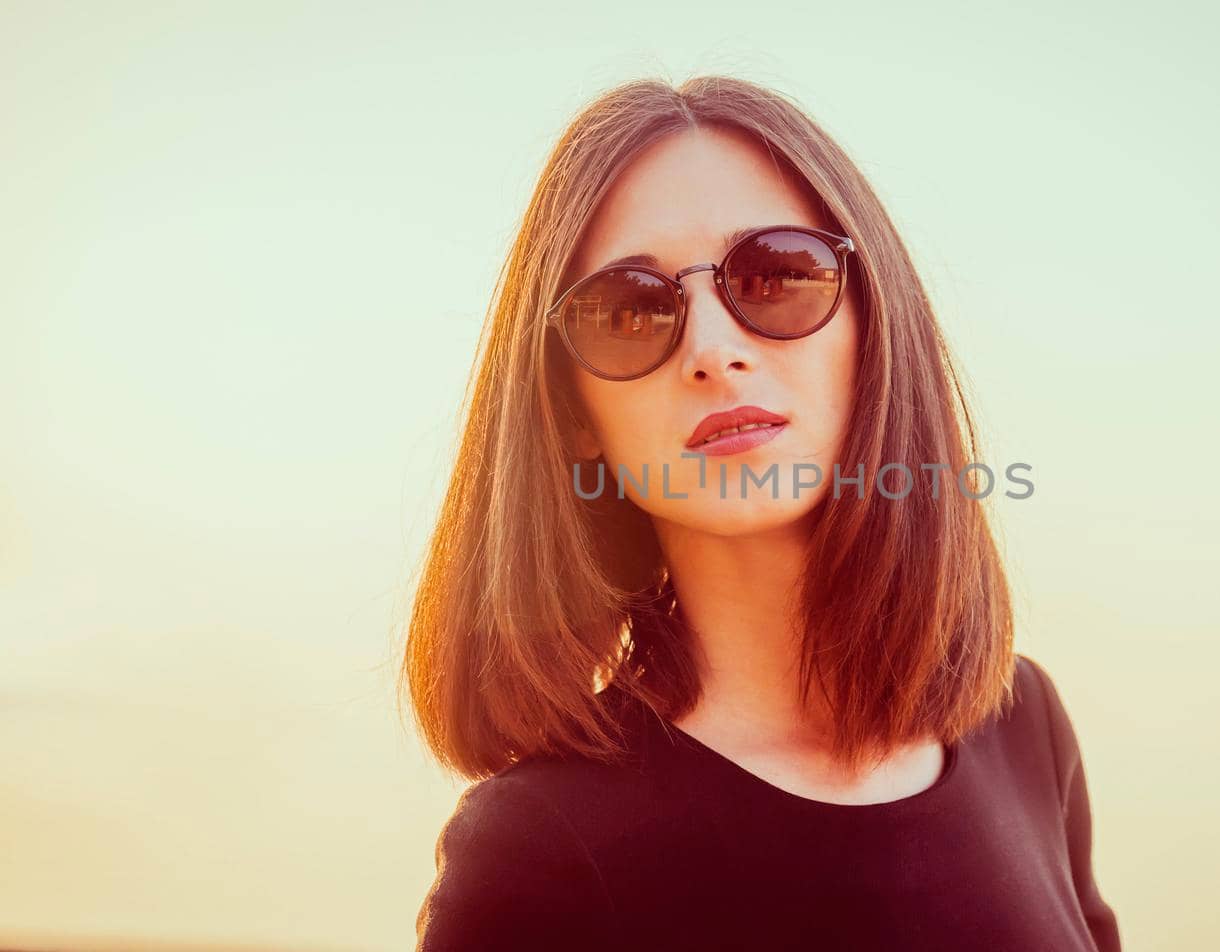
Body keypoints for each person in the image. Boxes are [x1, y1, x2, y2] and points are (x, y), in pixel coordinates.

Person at [404, 74, 1121, 952]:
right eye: (629, 310)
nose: (712, 349)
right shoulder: (541, 852)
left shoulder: (1024, 726)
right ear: (570, 415)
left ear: (874, 323)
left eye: (778, 273)